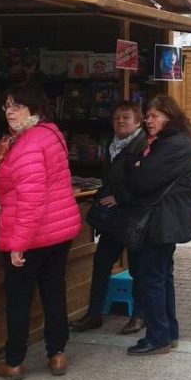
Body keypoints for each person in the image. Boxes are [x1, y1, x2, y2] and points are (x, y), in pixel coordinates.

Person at [0, 83, 82, 380]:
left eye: (16, 106)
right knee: (53, 292)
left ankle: (14, 361)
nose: (9, 112)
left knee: (18, 299)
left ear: (33, 109)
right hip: (58, 231)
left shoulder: (29, 144)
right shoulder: (50, 134)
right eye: (6, 106)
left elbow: (31, 200)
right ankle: (57, 354)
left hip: (33, 234)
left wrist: (19, 244)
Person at [125, 95, 191, 355]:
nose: (148, 120)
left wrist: (136, 167)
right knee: (162, 278)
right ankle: (168, 333)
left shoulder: (172, 145)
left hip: (160, 222)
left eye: (154, 116)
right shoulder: (172, 142)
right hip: (164, 221)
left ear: (169, 116)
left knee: (153, 280)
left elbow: (142, 179)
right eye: (147, 116)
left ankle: (158, 337)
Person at [70, 102, 148, 335]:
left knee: (137, 267)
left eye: (126, 118)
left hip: (133, 217)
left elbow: (145, 182)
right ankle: (94, 314)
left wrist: (120, 197)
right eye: (116, 118)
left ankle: (139, 315)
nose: (121, 121)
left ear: (137, 122)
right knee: (101, 264)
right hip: (112, 220)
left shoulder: (143, 146)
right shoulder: (112, 145)